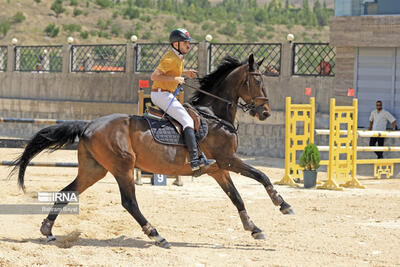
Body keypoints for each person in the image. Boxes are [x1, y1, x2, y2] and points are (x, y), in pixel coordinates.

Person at [150, 28, 215, 172]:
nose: (188, 45)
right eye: (186, 42)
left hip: (166, 94)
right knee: (188, 121)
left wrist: (185, 72)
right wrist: (175, 79)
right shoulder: (169, 58)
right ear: (176, 44)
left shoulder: (177, 58)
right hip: (161, 94)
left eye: (188, 43)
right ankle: (194, 160)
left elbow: (173, 71)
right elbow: (154, 77)